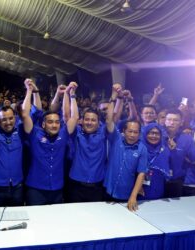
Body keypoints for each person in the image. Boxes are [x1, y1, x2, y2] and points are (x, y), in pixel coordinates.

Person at [22, 80, 79, 205]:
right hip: (35, 189)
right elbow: (25, 114)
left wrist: (72, 95)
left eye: (57, 122)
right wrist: (29, 90)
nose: (54, 125)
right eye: (50, 122)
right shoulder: (34, 134)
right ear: (43, 124)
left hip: (57, 188)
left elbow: (74, 117)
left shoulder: (63, 134)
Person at [104, 83, 148, 211]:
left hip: (126, 194)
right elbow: (109, 120)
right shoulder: (116, 139)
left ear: (139, 133)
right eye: (130, 131)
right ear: (124, 131)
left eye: (136, 132)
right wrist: (114, 95)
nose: (132, 134)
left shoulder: (142, 149)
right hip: (107, 190)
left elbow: (141, 174)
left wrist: (133, 197)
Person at [66, 108, 108, 202]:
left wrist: (115, 99)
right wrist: (71, 96)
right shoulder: (76, 132)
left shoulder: (104, 133)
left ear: (99, 123)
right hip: (75, 186)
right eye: (87, 119)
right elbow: (67, 116)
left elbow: (112, 119)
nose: (89, 122)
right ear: (82, 121)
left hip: (97, 186)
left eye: (93, 120)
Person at [140, 123, 171, 200]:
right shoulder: (139, 148)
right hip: (139, 185)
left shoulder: (164, 150)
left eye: (157, 133)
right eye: (150, 133)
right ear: (145, 134)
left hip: (157, 185)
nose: (154, 136)